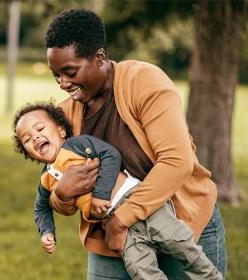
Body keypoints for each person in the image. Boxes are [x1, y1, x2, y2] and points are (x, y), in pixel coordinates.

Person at [33, 8, 227, 279]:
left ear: (99, 57)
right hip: (115, 244)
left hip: (182, 224)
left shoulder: (144, 82)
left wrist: (123, 219)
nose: (63, 84)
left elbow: (176, 162)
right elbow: (62, 194)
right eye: (56, 75)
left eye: (70, 71)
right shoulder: (66, 115)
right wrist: (62, 195)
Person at [13, 102, 223, 280]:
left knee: (180, 243)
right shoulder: (46, 179)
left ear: (60, 130)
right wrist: (47, 232)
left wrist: (101, 195)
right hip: (116, 226)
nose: (35, 138)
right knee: (140, 268)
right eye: (27, 139)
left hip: (138, 202)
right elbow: (41, 208)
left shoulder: (77, 145)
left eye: (40, 129)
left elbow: (111, 155)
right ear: (27, 152)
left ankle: (210, 277)